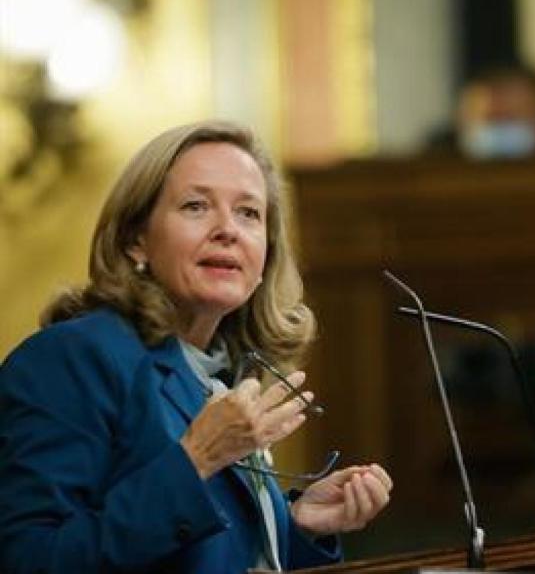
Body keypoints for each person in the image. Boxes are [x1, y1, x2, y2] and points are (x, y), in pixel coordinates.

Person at [0, 120, 392, 573]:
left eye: (249, 213)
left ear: (265, 255)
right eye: (196, 206)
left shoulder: (219, 372)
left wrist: (295, 527)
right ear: (135, 241)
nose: (228, 229)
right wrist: (196, 459)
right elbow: (29, 560)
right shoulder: (71, 359)